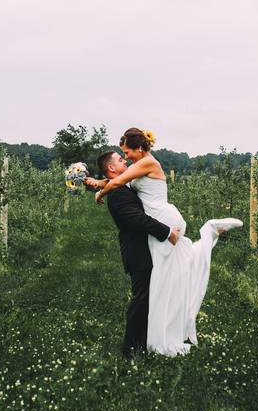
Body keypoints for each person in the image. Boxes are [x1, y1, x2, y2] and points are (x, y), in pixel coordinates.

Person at [89, 128, 242, 356]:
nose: (127, 158)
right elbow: (116, 182)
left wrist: (100, 193)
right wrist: (98, 183)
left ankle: (209, 231)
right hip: (159, 222)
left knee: (168, 278)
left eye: (127, 152)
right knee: (170, 278)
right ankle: (155, 335)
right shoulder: (137, 168)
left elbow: (116, 182)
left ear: (139, 148)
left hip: (162, 222)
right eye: (122, 156)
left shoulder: (145, 163)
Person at [94, 148, 182, 358]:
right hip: (137, 251)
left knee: (147, 297)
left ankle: (143, 342)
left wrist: (98, 185)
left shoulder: (120, 187)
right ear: (111, 168)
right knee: (140, 299)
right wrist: (167, 232)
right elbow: (138, 219)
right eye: (119, 159)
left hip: (144, 249)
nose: (124, 160)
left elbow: (116, 184)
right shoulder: (117, 195)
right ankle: (130, 349)